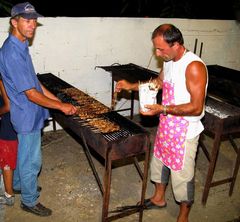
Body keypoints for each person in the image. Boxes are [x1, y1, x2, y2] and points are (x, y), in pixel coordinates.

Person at [115, 24, 208, 222]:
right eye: (155, 48)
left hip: (185, 131)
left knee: (183, 176)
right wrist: (131, 86)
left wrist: (162, 109)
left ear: (175, 44)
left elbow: (197, 107)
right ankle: (159, 198)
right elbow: (158, 83)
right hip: (167, 126)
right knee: (160, 163)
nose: (157, 53)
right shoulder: (169, 60)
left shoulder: (193, 66)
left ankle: (183, 215)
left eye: (161, 49)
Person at [0, 2, 77, 217]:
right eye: (27, 20)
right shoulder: (12, 53)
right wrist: (61, 106)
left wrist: (58, 100)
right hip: (25, 115)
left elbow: (34, 82)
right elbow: (31, 94)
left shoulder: (20, 44)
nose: (32, 25)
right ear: (14, 22)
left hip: (30, 113)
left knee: (25, 155)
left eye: (34, 20)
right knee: (31, 161)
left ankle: (19, 185)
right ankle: (29, 200)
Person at [0, 78, 18, 206]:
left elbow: (8, 106)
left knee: (7, 162)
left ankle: (9, 195)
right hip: (10, 124)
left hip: (7, 128)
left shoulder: (1, 82)